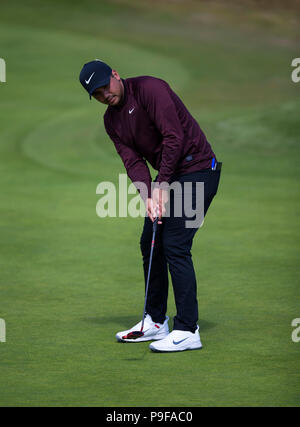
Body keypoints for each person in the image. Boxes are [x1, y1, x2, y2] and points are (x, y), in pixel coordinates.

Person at [79, 59, 222, 352]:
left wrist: (162, 185)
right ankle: (156, 322)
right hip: (169, 177)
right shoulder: (111, 121)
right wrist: (148, 195)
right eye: (97, 94)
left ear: (116, 75)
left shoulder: (150, 89)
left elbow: (174, 137)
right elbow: (132, 160)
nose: (104, 95)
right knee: (151, 242)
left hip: (198, 170)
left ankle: (188, 330)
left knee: (175, 245)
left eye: (105, 86)